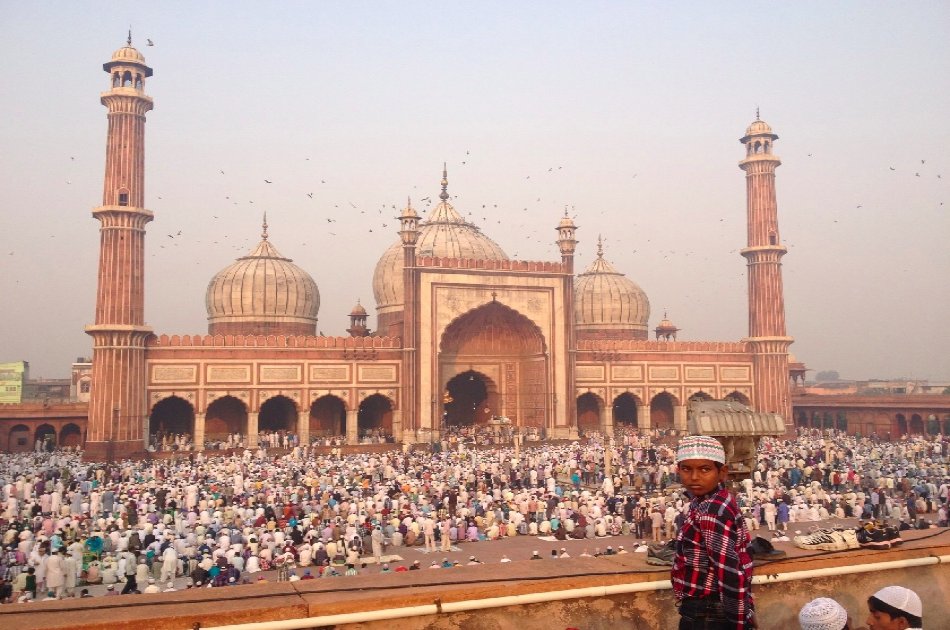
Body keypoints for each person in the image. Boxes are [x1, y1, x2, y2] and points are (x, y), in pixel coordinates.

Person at [670, 435, 755, 629]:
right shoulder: (716, 499)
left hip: (708, 612)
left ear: (722, 472)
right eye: (686, 469)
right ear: (678, 470)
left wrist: (740, 622)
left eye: (704, 469)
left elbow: (728, 571)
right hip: (709, 609)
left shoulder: (711, 511)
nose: (694, 477)